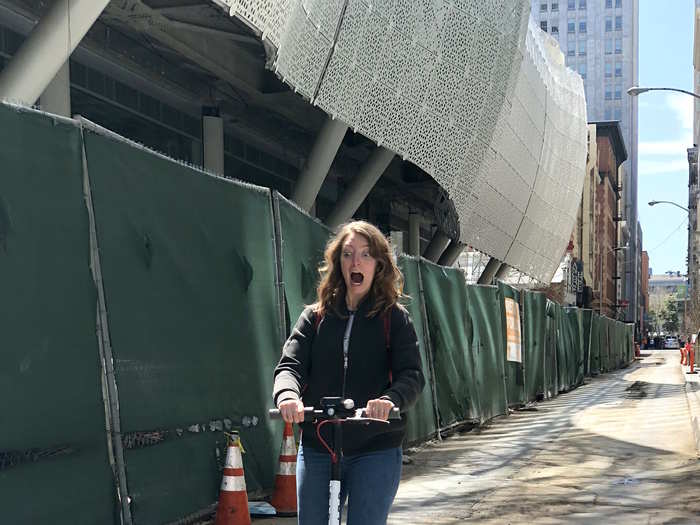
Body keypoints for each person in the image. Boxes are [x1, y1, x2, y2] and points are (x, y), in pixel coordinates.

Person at [272, 220, 425, 525]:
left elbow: (412, 375)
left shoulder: (394, 318)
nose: (356, 262)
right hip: (320, 444)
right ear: (338, 262)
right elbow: (290, 366)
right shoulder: (314, 318)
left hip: (375, 447)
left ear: (378, 264)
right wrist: (287, 396)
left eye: (366, 254)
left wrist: (389, 400)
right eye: (348, 254)